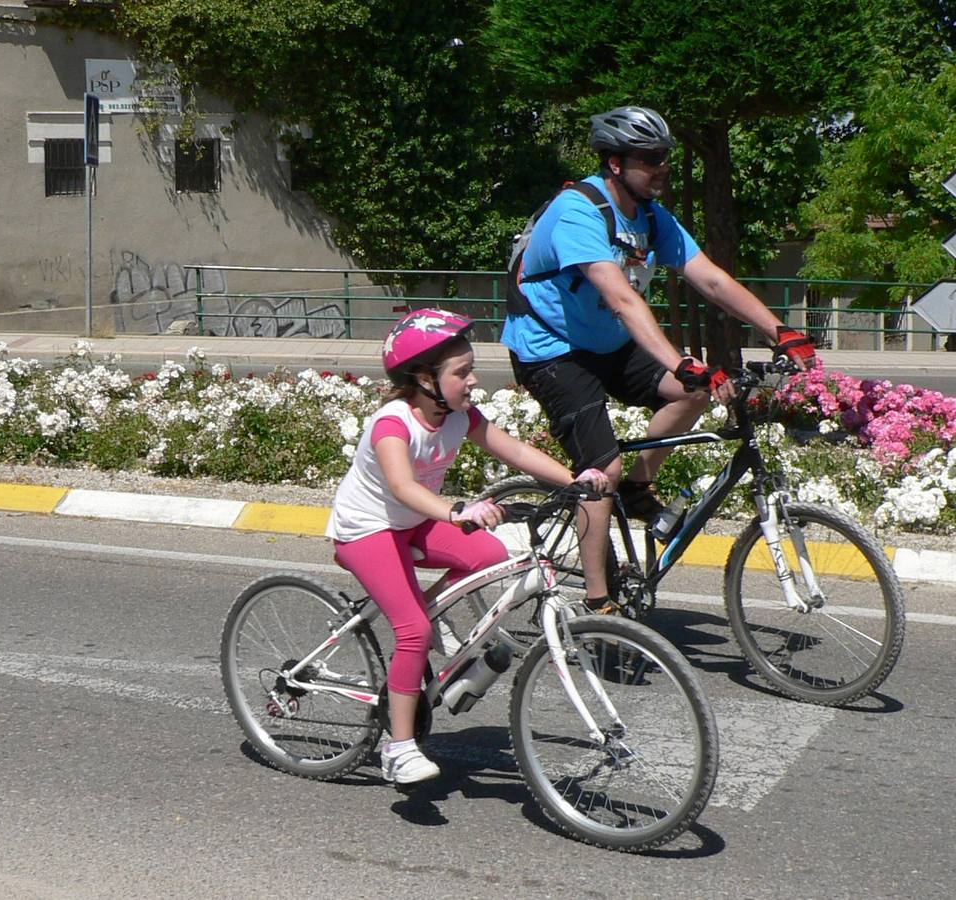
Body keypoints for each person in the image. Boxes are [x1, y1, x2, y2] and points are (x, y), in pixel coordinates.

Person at [501, 105, 818, 614]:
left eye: (665, 158)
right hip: (552, 349)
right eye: (650, 160)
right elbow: (625, 300)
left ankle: (639, 484)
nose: (662, 169)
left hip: (606, 343)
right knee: (600, 467)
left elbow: (710, 278)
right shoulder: (578, 211)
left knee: (693, 392)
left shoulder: (651, 216)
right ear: (614, 163)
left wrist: (779, 330)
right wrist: (679, 361)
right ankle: (598, 602)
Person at [326, 308, 608, 785]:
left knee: (491, 557)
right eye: (461, 372)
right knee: (412, 628)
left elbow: (515, 450)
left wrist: (575, 479)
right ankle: (399, 747)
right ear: (424, 378)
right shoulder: (392, 424)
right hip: (368, 530)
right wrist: (459, 512)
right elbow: (402, 487)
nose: (473, 380)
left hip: (415, 524)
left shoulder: (460, 416)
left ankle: (429, 615)